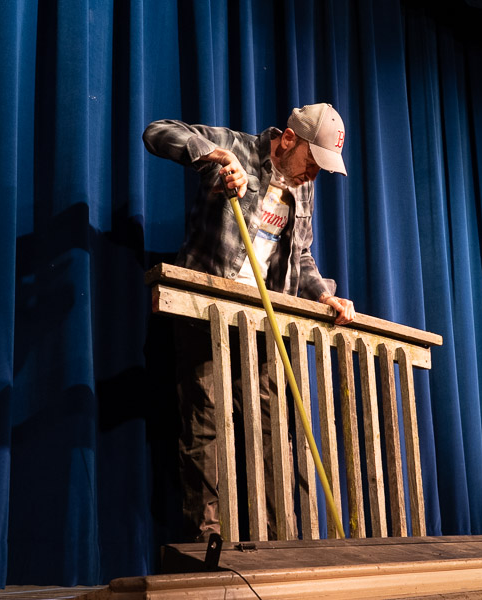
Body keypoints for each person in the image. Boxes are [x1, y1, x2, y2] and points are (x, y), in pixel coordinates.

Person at [143, 103, 355, 541]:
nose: (314, 173)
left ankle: (280, 539)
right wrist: (214, 156)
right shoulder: (235, 147)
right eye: (312, 160)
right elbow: (157, 132)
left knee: (273, 428)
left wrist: (324, 294)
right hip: (205, 316)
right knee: (206, 427)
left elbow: (300, 254)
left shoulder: (304, 188)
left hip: (261, 323)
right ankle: (210, 540)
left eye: (322, 167)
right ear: (289, 139)